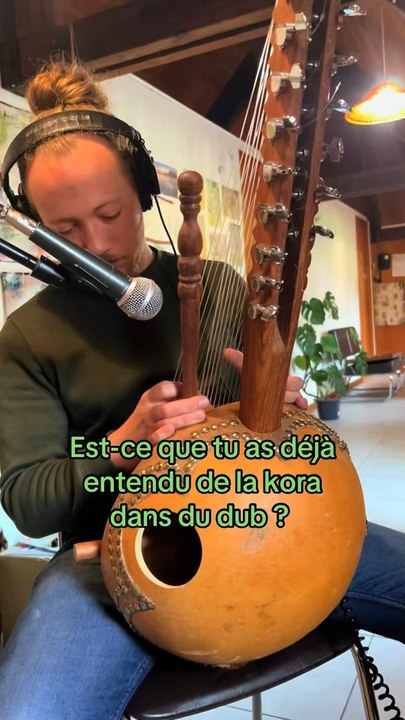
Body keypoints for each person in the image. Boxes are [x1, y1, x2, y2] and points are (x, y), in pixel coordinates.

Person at [0, 61, 403, 720]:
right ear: (34, 223)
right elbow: (28, 501)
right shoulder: (27, 338)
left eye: (110, 213)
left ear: (143, 193)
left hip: (261, 516)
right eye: (65, 230)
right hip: (109, 557)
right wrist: (124, 445)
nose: (97, 245)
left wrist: (282, 409)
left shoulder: (214, 284)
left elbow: (270, 428)